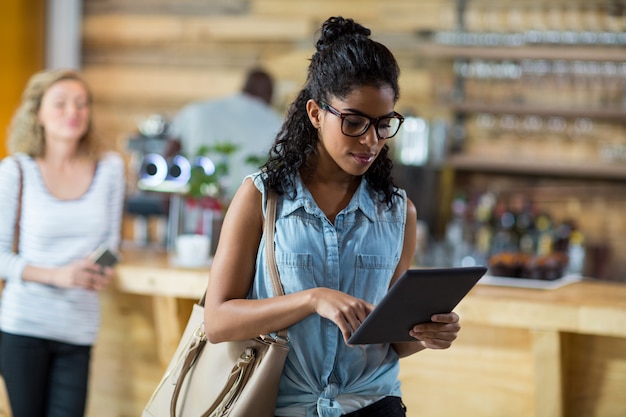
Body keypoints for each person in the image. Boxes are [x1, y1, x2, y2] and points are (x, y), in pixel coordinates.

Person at [204, 16, 462, 417]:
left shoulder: (398, 213)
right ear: (315, 113)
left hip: (374, 404)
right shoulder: (262, 197)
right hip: (282, 405)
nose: (371, 140)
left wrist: (429, 333)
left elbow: (394, 342)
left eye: (383, 124)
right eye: (354, 122)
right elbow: (217, 321)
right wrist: (312, 300)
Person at [0, 69, 125, 417]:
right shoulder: (15, 171)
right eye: (61, 104)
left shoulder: (110, 168)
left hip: (79, 327)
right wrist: (59, 275)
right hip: (23, 325)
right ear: (37, 112)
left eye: (81, 104)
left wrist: (103, 270)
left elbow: (112, 242)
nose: (73, 112)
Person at [168, 67, 284, 199]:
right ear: (269, 94)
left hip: (194, 204)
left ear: (243, 87)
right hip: (249, 207)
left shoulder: (195, 110)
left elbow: (170, 153)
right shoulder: (276, 122)